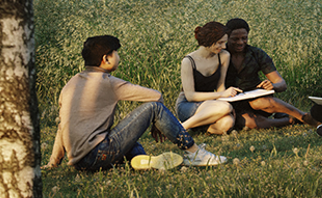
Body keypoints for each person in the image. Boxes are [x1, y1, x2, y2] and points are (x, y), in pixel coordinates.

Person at [48, 35, 222, 172]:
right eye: (116, 53)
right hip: (99, 153)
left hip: (80, 162)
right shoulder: (107, 82)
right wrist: (156, 124)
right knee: (153, 108)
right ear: (106, 59)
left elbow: (62, 126)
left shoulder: (70, 84)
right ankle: (194, 152)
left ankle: (138, 162)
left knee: (132, 143)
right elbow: (155, 96)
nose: (118, 57)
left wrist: (53, 162)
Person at [220, 18, 303, 128]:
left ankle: (304, 117)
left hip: (257, 100)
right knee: (249, 123)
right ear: (227, 37)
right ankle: (289, 120)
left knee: (260, 102)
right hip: (233, 104)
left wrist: (273, 86)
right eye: (235, 39)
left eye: (244, 38)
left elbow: (281, 83)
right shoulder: (219, 55)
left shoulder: (256, 54)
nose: (240, 42)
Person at [178, 20, 238, 134]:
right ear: (209, 41)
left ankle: (197, 127)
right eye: (220, 43)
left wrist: (226, 100)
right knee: (225, 108)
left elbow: (221, 85)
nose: (224, 46)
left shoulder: (224, 56)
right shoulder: (188, 61)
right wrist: (222, 97)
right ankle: (180, 128)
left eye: (224, 42)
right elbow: (190, 96)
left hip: (210, 103)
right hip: (188, 104)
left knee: (228, 122)